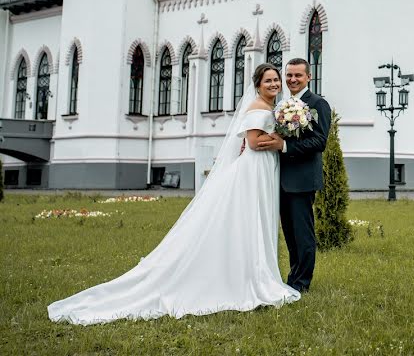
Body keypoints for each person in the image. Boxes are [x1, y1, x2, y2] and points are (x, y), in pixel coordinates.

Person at [47, 64, 300, 325]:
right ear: (257, 85)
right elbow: (255, 143)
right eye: (268, 80)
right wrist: (282, 134)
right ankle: (248, 276)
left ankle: (252, 271)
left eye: (276, 80)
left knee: (254, 219)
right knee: (250, 219)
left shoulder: (271, 107)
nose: (274, 84)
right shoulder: (258, 107)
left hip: (261, 168)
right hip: (253, 169)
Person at [257, 58, 331, 293]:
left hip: (302, 179)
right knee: (290, 234)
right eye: (289, 75)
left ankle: (302, 284)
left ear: (309, 77)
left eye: (298, 75)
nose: (292, 79)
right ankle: (293, 278)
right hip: (281, 179)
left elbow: (320, 141)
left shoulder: (318, 104)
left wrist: (285, 147)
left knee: (303, 234)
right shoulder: (283, 104)